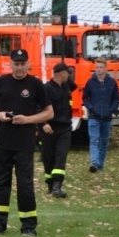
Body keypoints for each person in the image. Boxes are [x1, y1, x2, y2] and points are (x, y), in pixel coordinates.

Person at [0, 49, 53, 237]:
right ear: (10, 63)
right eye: (16, 63)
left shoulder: (36, 84)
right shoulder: (1, 82)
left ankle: (29, 226)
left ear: (28, 63)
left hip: (24, 144)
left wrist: (28, 120)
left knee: (25, 186)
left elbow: (49, 112)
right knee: (0, 184)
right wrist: (0, 115)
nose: (20, 67)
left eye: (23, 63)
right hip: (2, 143)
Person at [40, 62, 76, 198]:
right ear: (61, 73)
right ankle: (50, 184)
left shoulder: (67, 86)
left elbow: (74, 84)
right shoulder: (46, 89)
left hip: (65, 127)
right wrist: (43, 123)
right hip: (49, 127)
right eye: (67, 73)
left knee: (61, 156)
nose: (69, 75)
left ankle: (57, 186)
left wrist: (68, 72)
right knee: (49, 157)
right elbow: (39, 108)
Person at [82, 57, 119, 173]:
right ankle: (95, 163)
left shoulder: (112, 82)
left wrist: (112, 110)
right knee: (94, 140)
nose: (98, 70)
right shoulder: (90, 82)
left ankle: (100, 166)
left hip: (107, 117)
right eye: (97, 67)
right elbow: (85, 98)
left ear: (106, 69)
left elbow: (116, 98)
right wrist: (91, 109)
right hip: (94, 116)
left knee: (104, 142)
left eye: (101, 67)